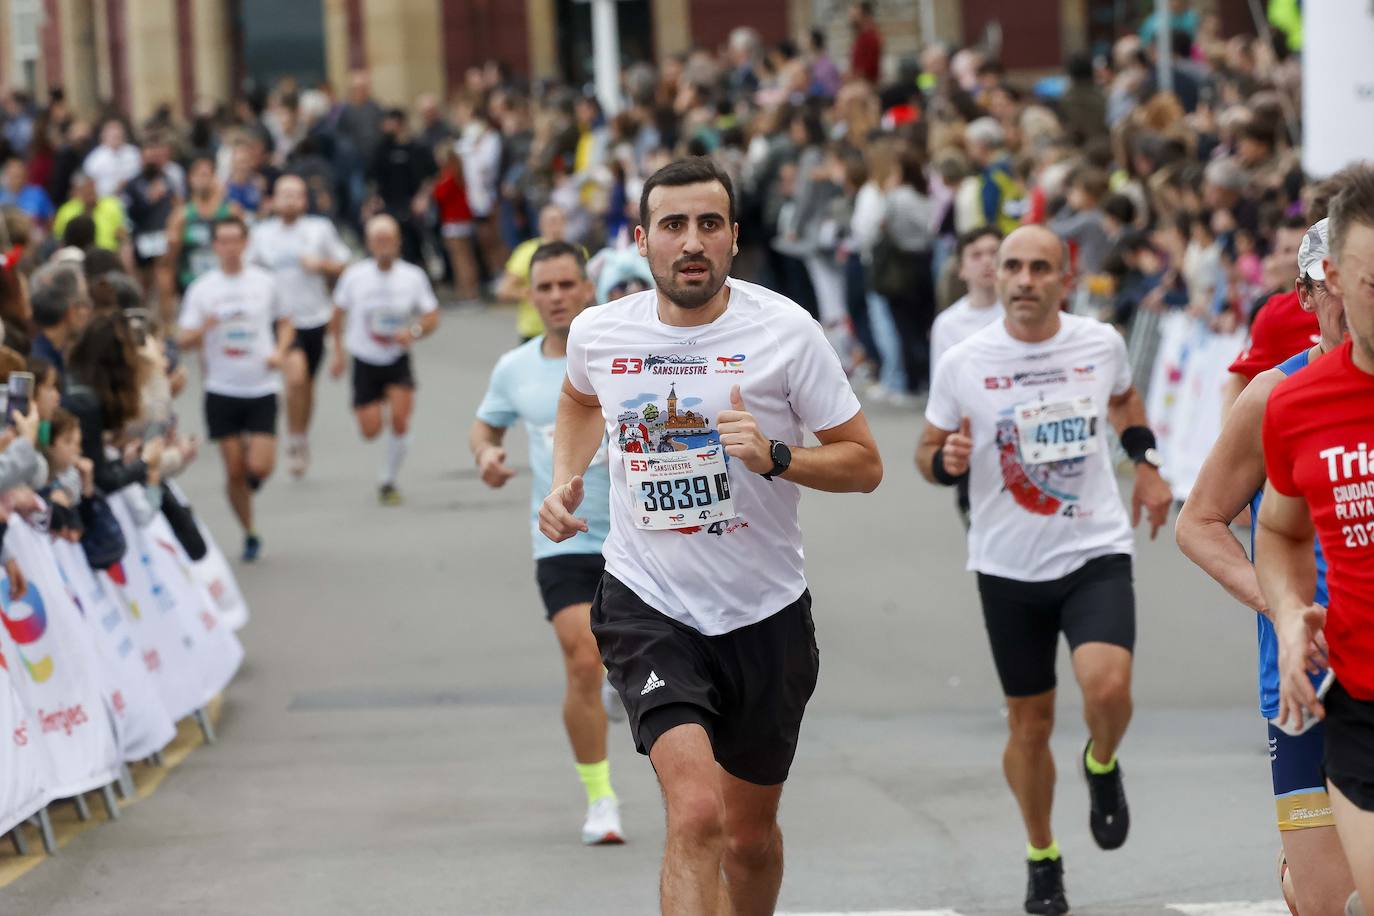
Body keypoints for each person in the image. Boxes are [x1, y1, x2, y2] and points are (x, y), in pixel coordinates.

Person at [539, 157, 883, 915]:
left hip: (764, 613)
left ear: (733, 237)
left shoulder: (786, 333)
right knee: (697, 814)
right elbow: (578, 397)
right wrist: (565, 477)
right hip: (648, 605)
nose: (690, 242)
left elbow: (865, 465)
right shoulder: (601, 331)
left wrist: (778, 455)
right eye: (673, 226)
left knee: (748, 840)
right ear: (642, 241)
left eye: (708, 225)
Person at [916, 225, 1172, 915]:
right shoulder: (966, 360)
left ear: (1065, 277)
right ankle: (1042, 853)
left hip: (1094, 547)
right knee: (1029, 726)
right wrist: (948, 464)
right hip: (1005, 564)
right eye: (1012, 268)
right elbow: (929, 449)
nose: (1025, 279)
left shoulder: (1099, 343)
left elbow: (1122, 398)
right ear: (995, 277)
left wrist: (1145, 467)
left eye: (1039, 268)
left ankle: (1101, 760)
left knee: (1109, 686)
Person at [1176, 217, 1357, 915]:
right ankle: (1299, 875)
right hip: (1310, 673)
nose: (1353, 299)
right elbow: (1200, 524)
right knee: (1327, 902)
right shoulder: (1275, 395)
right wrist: (1282, 609)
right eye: (1331, 284)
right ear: (1307, 298)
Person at [470, 241, 623, 846]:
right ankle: (600, 797)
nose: (557, 297)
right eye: (546, 288)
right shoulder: (515, 368)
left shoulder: (619, 358)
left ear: (587, 288)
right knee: (583, 657)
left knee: (625, 658)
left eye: (567, 285)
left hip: (638, 538)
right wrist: (485, 453)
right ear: (531, 297)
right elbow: (485, 424)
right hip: (563, 538)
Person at [1257, 167, 1374, 916]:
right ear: (1331, 279)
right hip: (1358, 697)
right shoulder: (1291, 400)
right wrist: (1290, 614)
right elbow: (1275, 528)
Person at [176, 216, 293, 562]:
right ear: (214, 247)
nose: (229, 248)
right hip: (221, 388)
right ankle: (250, 531)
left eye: (235, 241)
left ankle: (251, 479)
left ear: (245, 244)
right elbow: (183, 339)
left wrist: (280, 352)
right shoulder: (202, 289)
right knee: (233, 471)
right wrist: (205, 328)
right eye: (222, 242)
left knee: (260, 467)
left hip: (261, 385)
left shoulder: (264, 283)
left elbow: (286, 322)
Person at [329, 214, 440, 506]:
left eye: (388, 239)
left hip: (396, 360)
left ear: (398, 242)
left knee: (401, 420)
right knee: (371, 430)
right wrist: (337, 352)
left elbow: (431, 315)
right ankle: (372, 410)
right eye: (377, 240)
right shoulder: (354, 276)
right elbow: (336, 314)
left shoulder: (412, 276)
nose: (383, 245)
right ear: (368, 243)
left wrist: (413, 331)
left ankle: (387, 479)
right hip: (365, 359)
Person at [247, 175, 350, 478]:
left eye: (296, 195)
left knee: (307, 385)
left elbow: (343, 263)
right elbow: (247, 269)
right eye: (284, 195)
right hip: (279, 320)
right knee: (295, 377)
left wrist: (321, 265)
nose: (290, 200)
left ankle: (300, 435)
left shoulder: (319, 229)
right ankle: (292, 440)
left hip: (314, 317)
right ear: (274, 200)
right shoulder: (261, 234)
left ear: (305, 200)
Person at [929, 227, 1004, 527]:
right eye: (976, 255)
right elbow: (943, 390)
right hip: (976, 442)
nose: (987, 262)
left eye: (995, 254)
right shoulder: (948, 324)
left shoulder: (1020, 314)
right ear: (961, 268)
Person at [166, 156, 237, 298]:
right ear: (190, 179)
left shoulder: (230, 211)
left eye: (207, 175)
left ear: (214, 178)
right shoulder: (181, 215)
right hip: (190, 282)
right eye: (198, 175)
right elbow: (169, 260)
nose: (202, 180)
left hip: (224, 284)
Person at [499, 204, 571, 342]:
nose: (555, 226)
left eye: (559, 221)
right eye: (550, 221)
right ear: (541, 225)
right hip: (534, 331)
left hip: (569, 329)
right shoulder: (526, 252)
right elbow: (504, 290)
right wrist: (535, 294)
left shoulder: (576, 252)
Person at [28, 262, 91, 378]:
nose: (88, 312)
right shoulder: (42, 365)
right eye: (84, 303)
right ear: (71, 311)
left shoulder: (58, 355)